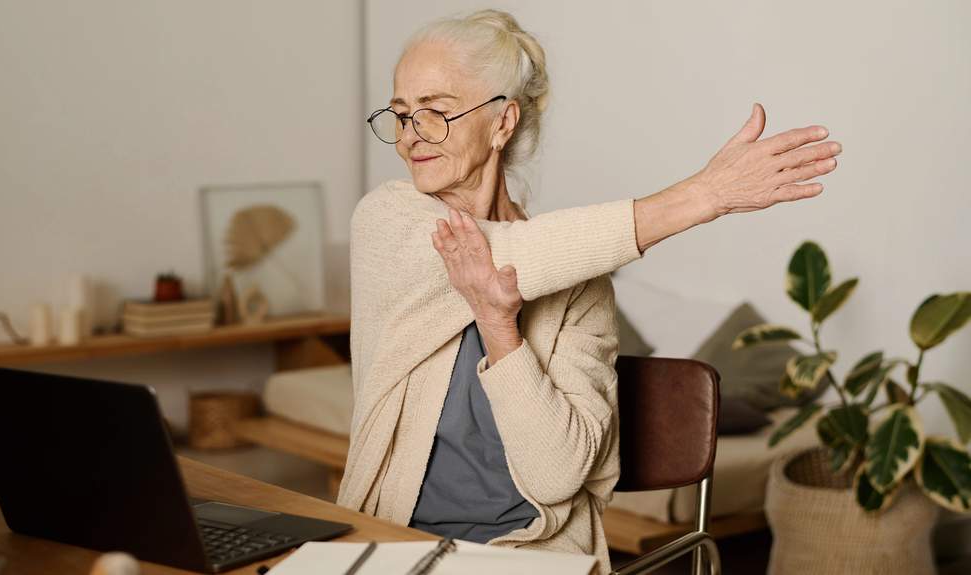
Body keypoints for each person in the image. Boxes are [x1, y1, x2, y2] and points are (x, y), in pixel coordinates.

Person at [338, 9, 841, 573]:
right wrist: (705, 195)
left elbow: (557, 477)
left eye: (436, 113)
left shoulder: (580, 283)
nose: (410, 137)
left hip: (530, 554)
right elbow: (504, 258)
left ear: (502, 122)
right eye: (402, 114)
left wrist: (502, 332)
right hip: (389, 540)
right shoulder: (387, 219)